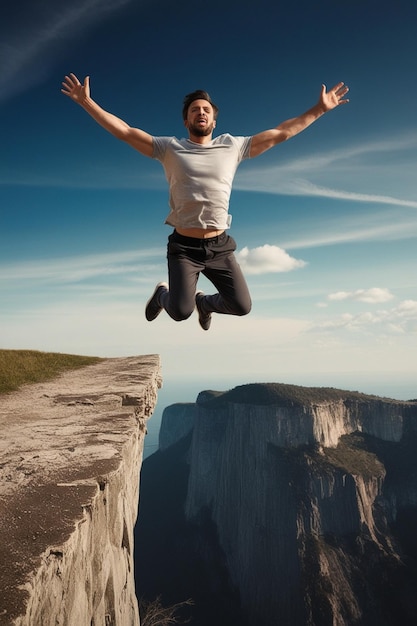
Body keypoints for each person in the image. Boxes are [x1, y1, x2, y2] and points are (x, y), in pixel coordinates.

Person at [61, 74, 349, 330]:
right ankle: (162, 295)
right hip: (184, 248)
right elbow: (124, 132)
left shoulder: (233, 146)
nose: (201, 112)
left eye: (206, 109)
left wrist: (319, 109)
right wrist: (87, 102)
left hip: (219, 245)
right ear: (186, 120)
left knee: (241, 306)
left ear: (214, 120)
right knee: (179, 312)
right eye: (195, 109)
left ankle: (206, 304)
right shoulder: (169, 148)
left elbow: (281, 133)